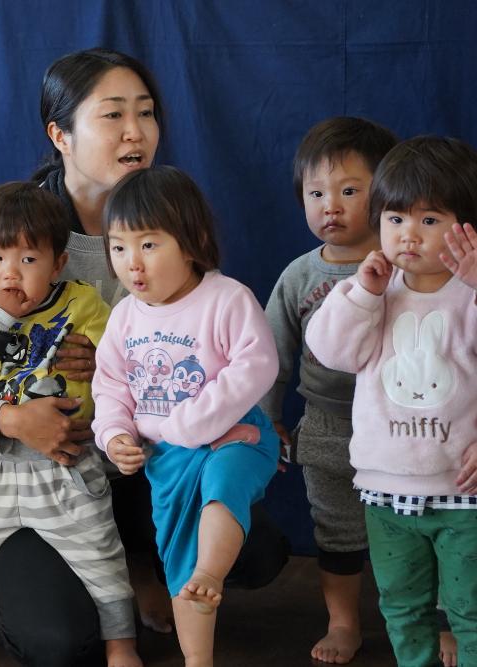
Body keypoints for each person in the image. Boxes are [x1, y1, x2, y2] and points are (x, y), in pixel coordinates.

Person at [0, 47, 286, 664]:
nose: (136, 132)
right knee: (56, 644)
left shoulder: (166, 218)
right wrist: (9, 420)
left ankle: (141, 564)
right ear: (59, 135)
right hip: (39, 480)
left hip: (148, 461)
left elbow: (227, 344)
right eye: (113, 115)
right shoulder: (8, 241)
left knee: (254, 546)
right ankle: (66, 577)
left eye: (146, 113)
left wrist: (142, 388)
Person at [0, 181, 140, 666]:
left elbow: (122, 356)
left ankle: (121, 640)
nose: (11, 273)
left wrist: (99, 358)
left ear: (57, 264)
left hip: (68, 465)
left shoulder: (82, 303)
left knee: (98, 551)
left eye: (28, 260)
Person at [92, 166, 280, 667]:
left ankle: (211, 572)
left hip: (231, 437)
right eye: (118, 247)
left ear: (191, 242)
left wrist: (193, 425)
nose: (132, 263)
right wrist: (114, 434)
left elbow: (257, 363)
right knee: (177, 554)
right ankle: (198, 655)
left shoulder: (226, 298)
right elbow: (110, 385)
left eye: (149, 245)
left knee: (224, 484)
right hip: (167, 458)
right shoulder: (125, 315)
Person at [305, 136, 477, 667]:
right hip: (386, 489)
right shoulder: (374, 289)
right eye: (396, 218)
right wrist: (363, 294)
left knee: (471, 611)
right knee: (402, 608)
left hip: (464, 492)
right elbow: (332, 352)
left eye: (430, 220)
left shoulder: (470, 294)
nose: (409, 235)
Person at [258, 117, 398, 664]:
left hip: (402, 425)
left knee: (416, 526)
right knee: (337, 533)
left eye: (348, 191)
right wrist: (269, 417)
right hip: (327, 424)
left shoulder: (406, 267)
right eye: (316, 194)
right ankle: (343, 623)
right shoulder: (299, 276)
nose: (330, 206)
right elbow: (272, 355)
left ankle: (430, 618)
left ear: (385, 194)